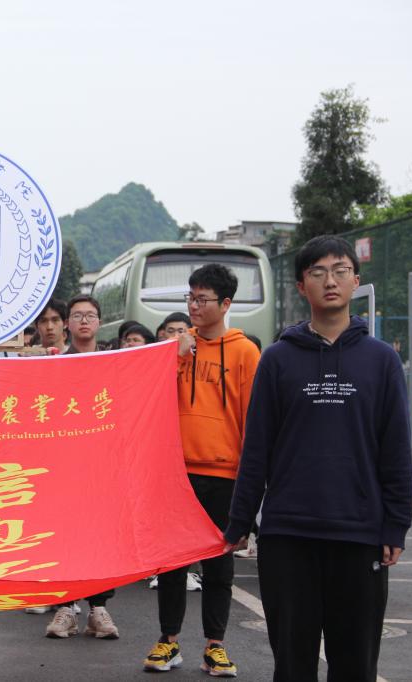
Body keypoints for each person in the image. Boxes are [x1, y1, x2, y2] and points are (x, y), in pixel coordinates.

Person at [224, 236, 412, 681]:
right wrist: (239, 522)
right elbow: (257, 449)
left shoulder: (381, 360)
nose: (330, 281)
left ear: (355, 281)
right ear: (301, 286)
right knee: (292, 664)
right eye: (318, 272)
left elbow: (395, 450)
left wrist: (395, 524)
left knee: (355, 665)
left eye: (340, 271)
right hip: (288, 536)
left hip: (359, 534)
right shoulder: (277, 360)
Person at [143, 263, 260, 677]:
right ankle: (168, 640)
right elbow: (153, 402)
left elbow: (252, 420)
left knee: (219, 566)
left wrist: (250, 485)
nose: (193, 306)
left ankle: (215, 646)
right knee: (171, 564)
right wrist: (176, 357)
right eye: (190, 297)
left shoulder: (245, 352)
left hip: (225, 475)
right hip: (175, 474)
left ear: (225, 304)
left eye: (202, 298)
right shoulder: (175, 347)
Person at [43, 294, 120, 641]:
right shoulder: (54, 364)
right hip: (63, 465)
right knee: (63, 536)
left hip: (102, 465)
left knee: (100, 538)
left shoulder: (115, 362)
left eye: (90, 315)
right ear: (67, 324)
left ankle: (98, 609)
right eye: (77, 316)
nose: (84, 321)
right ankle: (65, 607)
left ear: (99, 322)